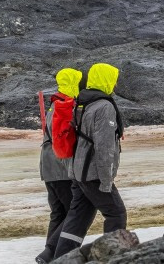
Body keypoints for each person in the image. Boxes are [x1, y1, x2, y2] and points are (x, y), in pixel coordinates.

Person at [52, 62, 127, 259]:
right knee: (116, 213)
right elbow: (104, 146)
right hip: (93, 173)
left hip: (78, 171)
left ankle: (61, 258)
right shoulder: (104, 107)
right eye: (114, 79)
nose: (116, 84)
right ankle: (114, 257)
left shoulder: (83, 101)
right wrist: (106, 180)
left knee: (78, 218)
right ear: (105, 80)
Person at [36, 67, 86, 264]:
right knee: (72, 211)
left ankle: (49, 253)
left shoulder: (55, 103)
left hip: (48, 166)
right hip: (60, 167)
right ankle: (51, 252)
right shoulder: (65, 104)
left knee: (58, 212)